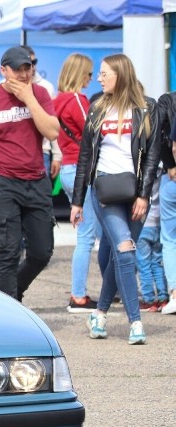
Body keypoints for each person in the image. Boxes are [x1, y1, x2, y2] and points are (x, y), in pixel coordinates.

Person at [71, 53, 160, 344]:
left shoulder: (147, 108)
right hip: (105, 191)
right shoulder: (96, 109)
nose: (99, 78)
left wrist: (144, 196)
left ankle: (98, 314)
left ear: (119, 74)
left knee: (123, 255)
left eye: (104, 73)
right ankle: (136, 322)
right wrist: (77, 200)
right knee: (124, 249)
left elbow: (152, 157)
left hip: (136, 194)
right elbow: (85, 157)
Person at [0, 45, 59, 301]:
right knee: (8, 252)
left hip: (36, 181)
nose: (24, 74)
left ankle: (11, 295)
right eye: (18, 70)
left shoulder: (40, 94)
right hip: (1, 182)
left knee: (41, 253)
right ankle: (10, 309)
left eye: (28, 68)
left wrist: (29, 99)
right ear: (3, 71)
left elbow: (52, 132)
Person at [54, 52, 102, 313]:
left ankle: (83, 293)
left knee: (87, 233)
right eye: (89, 73)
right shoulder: (76, 99)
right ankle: (79, 296)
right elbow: (92, 131)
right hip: (82, 170)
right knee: (87, 236)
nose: (91, 78)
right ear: (79, 73)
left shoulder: (58, 100)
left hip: (68, 168)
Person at [22, 45, 61, 177]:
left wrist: (57, 155)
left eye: (35, 62)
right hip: (12, 153)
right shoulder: (3, 86)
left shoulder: (46, 87)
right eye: (29, 63)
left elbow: (54, 122)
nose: (33, 67)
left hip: (41, 151)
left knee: (41, 197)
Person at [155, 89, 176, 314]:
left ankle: (174, 293)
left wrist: (170, 164)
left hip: (171, 178)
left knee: (170, 239)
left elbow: (159, 135)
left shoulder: (167, 100)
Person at [137, 190, 168, 311]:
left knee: (144, 264)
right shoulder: (161, 173)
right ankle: (163, 298)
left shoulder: (141, 174)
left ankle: (149, 300)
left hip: (143, 222)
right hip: (158, 222)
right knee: (157, 262)